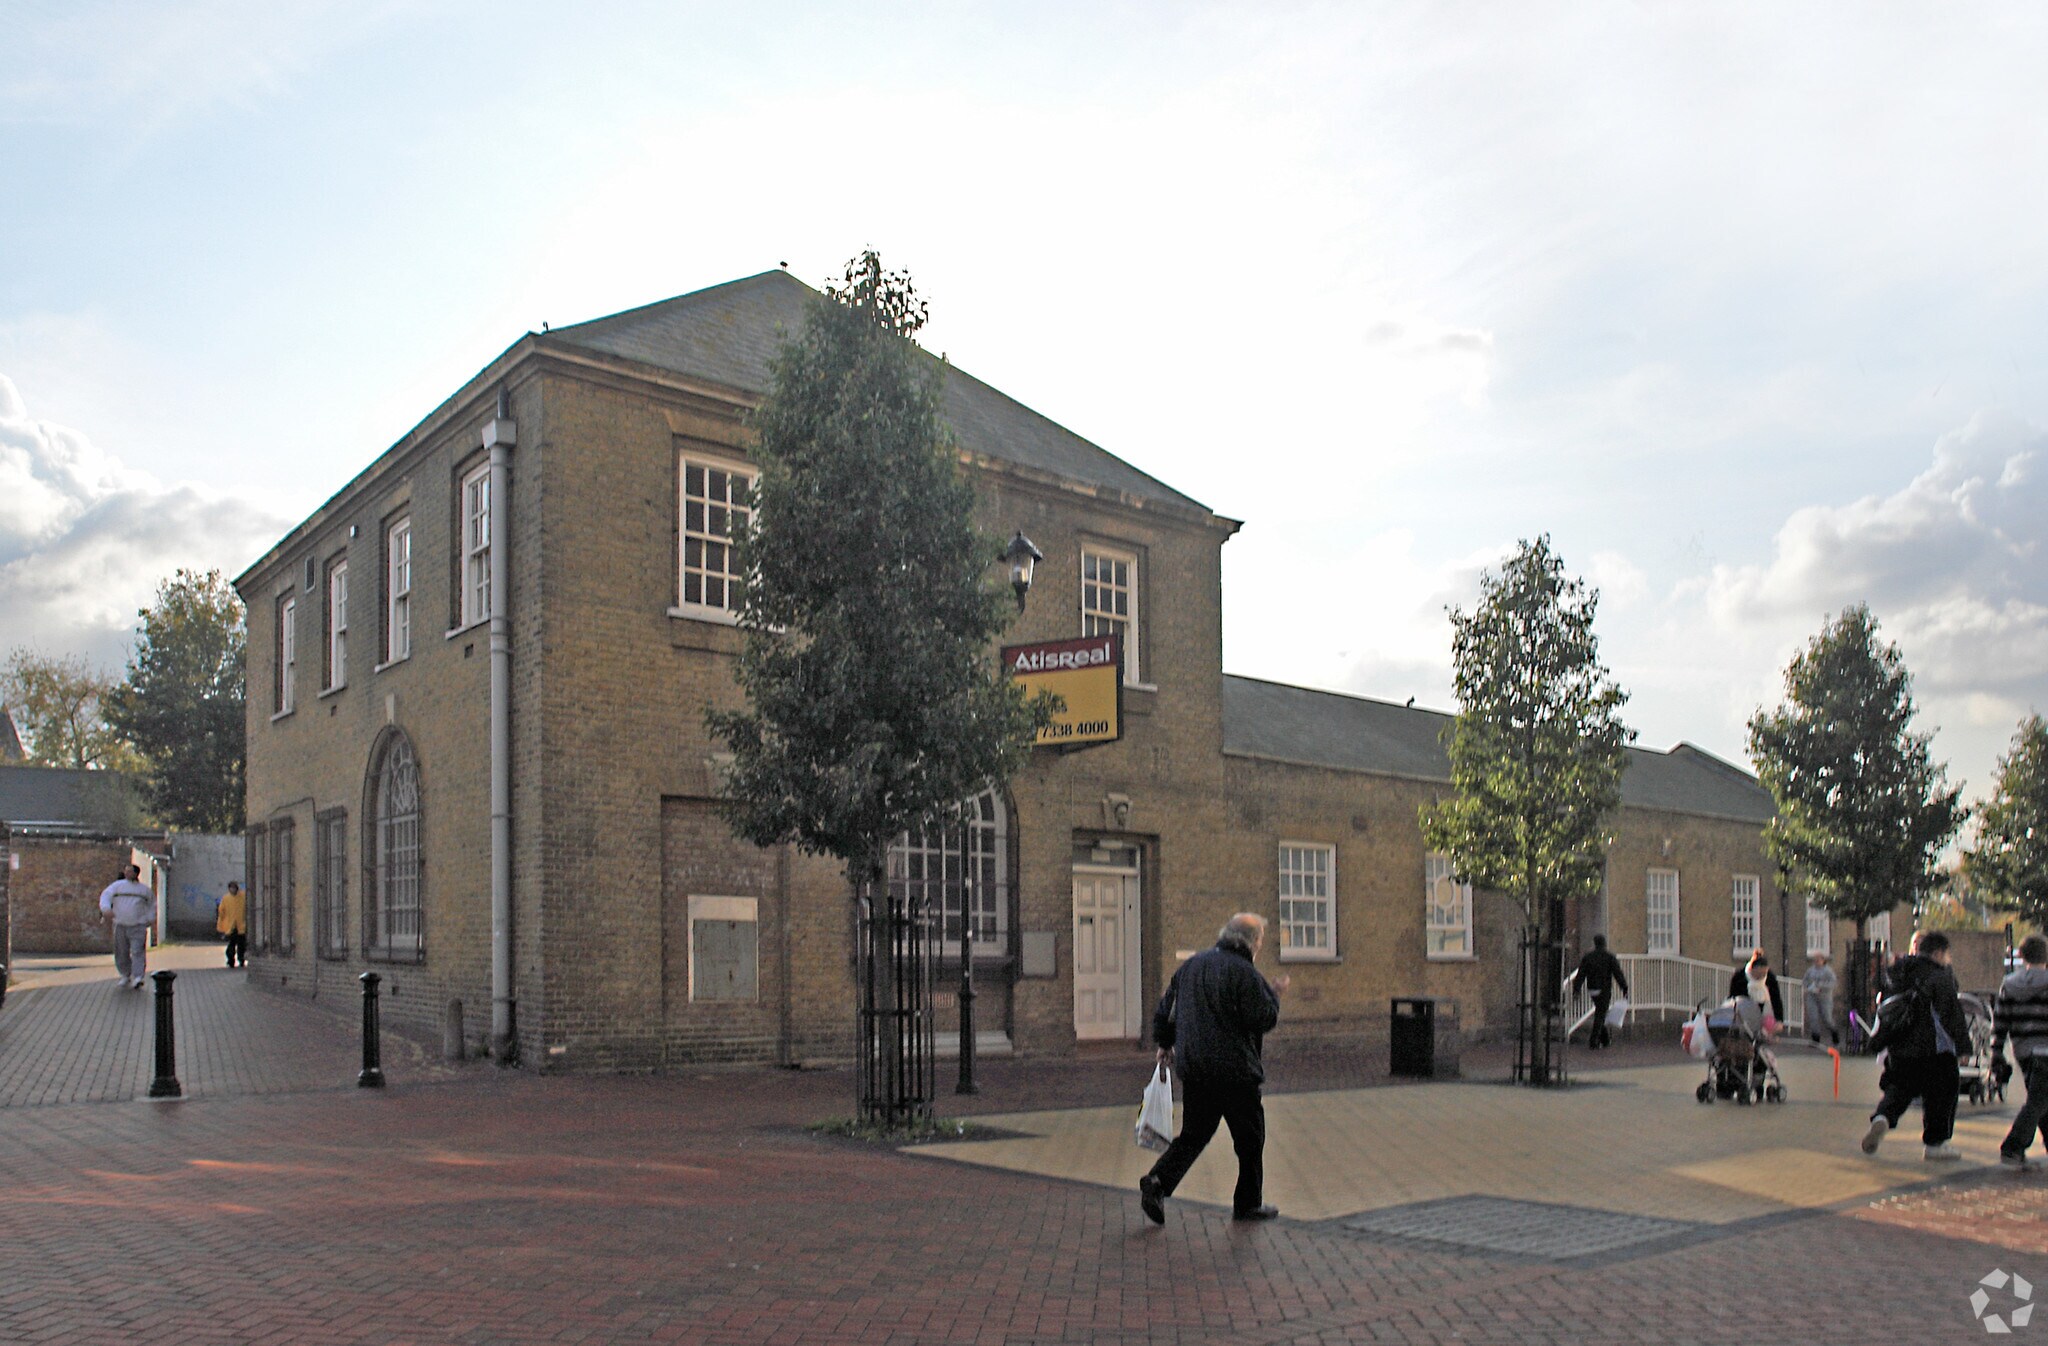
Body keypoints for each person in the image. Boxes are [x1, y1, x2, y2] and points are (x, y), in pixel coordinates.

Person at [1138, 913, 1288, 1225]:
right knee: (1250, 1139)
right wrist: (1274, 995)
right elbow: (1262, 1018)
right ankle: (1247, 1203)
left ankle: (1158, 1182)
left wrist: (1165, 1044)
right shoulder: (1244, 973)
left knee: (1194, 1134)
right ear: (1251, 941)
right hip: (1235, 1071)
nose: (1260, 945)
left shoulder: (1192, 965)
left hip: (1195, 1067)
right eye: (1259, 940)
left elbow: (1166, 1010)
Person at [1861, 929, 1969, 1161]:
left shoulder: (1896, 973)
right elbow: (1952, 1015)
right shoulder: (1940, 977)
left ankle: (1883, 1117)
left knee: (1900, 1088)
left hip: (1900, 1046)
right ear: (1938, 953)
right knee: (1941, 1094)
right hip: (1934, 1049)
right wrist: (1963, 1048)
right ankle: (1935, 1143)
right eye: (1946, 954)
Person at [1993, 934, 2048, 1170]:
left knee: (2042, 1099)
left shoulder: (2009, 984)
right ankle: (2012, 1147)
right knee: (2038, 1101)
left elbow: (2000, 1021)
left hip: (2024, 1051)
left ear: (2022, 956)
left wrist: (1997, 1051)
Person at [97, 864, 157, 990]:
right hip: (120, 924)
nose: (127, 873)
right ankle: (125, 974)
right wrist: (106, 909)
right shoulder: (117, 887)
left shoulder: (144, 890)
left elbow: (152, 904)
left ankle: (138, 976)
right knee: (121, 951)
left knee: (137, 951)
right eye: (126, 871)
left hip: (138, 925)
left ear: (136, 873)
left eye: (130, 871)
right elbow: (106, 896)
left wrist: (150, 919)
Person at [1569, 934, 1629, 1049]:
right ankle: (1594, 1040)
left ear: (1595, 943)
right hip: (1604, 989)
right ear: (1604, 943)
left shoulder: (1588, 957)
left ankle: (1605, 1039)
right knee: (1600, 1015)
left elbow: (1581, 974)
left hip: (1592, 989)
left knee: (1600, 1012)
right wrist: (1624, 988)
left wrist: (1576, 989)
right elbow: (1618, 974)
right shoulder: (1610, 957)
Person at [1728, 950, 1785, 1027]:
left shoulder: (1770, 977)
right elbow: (1733, 997)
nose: (1762, 977)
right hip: (1743, 1011)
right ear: (1752, 969)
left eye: (1764, 974)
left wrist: (1779, 1020)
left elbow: (1776, 999)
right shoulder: (1739, 977)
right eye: (1760, 974)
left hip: (1761, 1011)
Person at [1803, 952, 1840, 1046]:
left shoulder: (1828, 971)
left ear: (1823, 960)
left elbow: (1833, 983)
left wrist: (1821, 986)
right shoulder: (1810, 971)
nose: (1816, 962)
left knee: (1827, 1018)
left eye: (1818, 960)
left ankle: (1834, 1033)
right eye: (1815, 960)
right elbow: (1805, 980)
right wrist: (1808, 987)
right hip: (1812, 996)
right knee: (1813, 1017)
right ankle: (1815, 1039)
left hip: (1825, 997)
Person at [216, 880, 249, 969]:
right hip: (231, 926)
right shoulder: (226, 898)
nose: (232, 890)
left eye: (234, 888)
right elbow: (221, 912)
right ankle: (231, 960)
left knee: (241, 944)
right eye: (231, 888)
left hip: (241, 925)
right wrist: (221, 924)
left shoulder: (243, 897)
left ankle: (241, 959)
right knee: (231, 944)